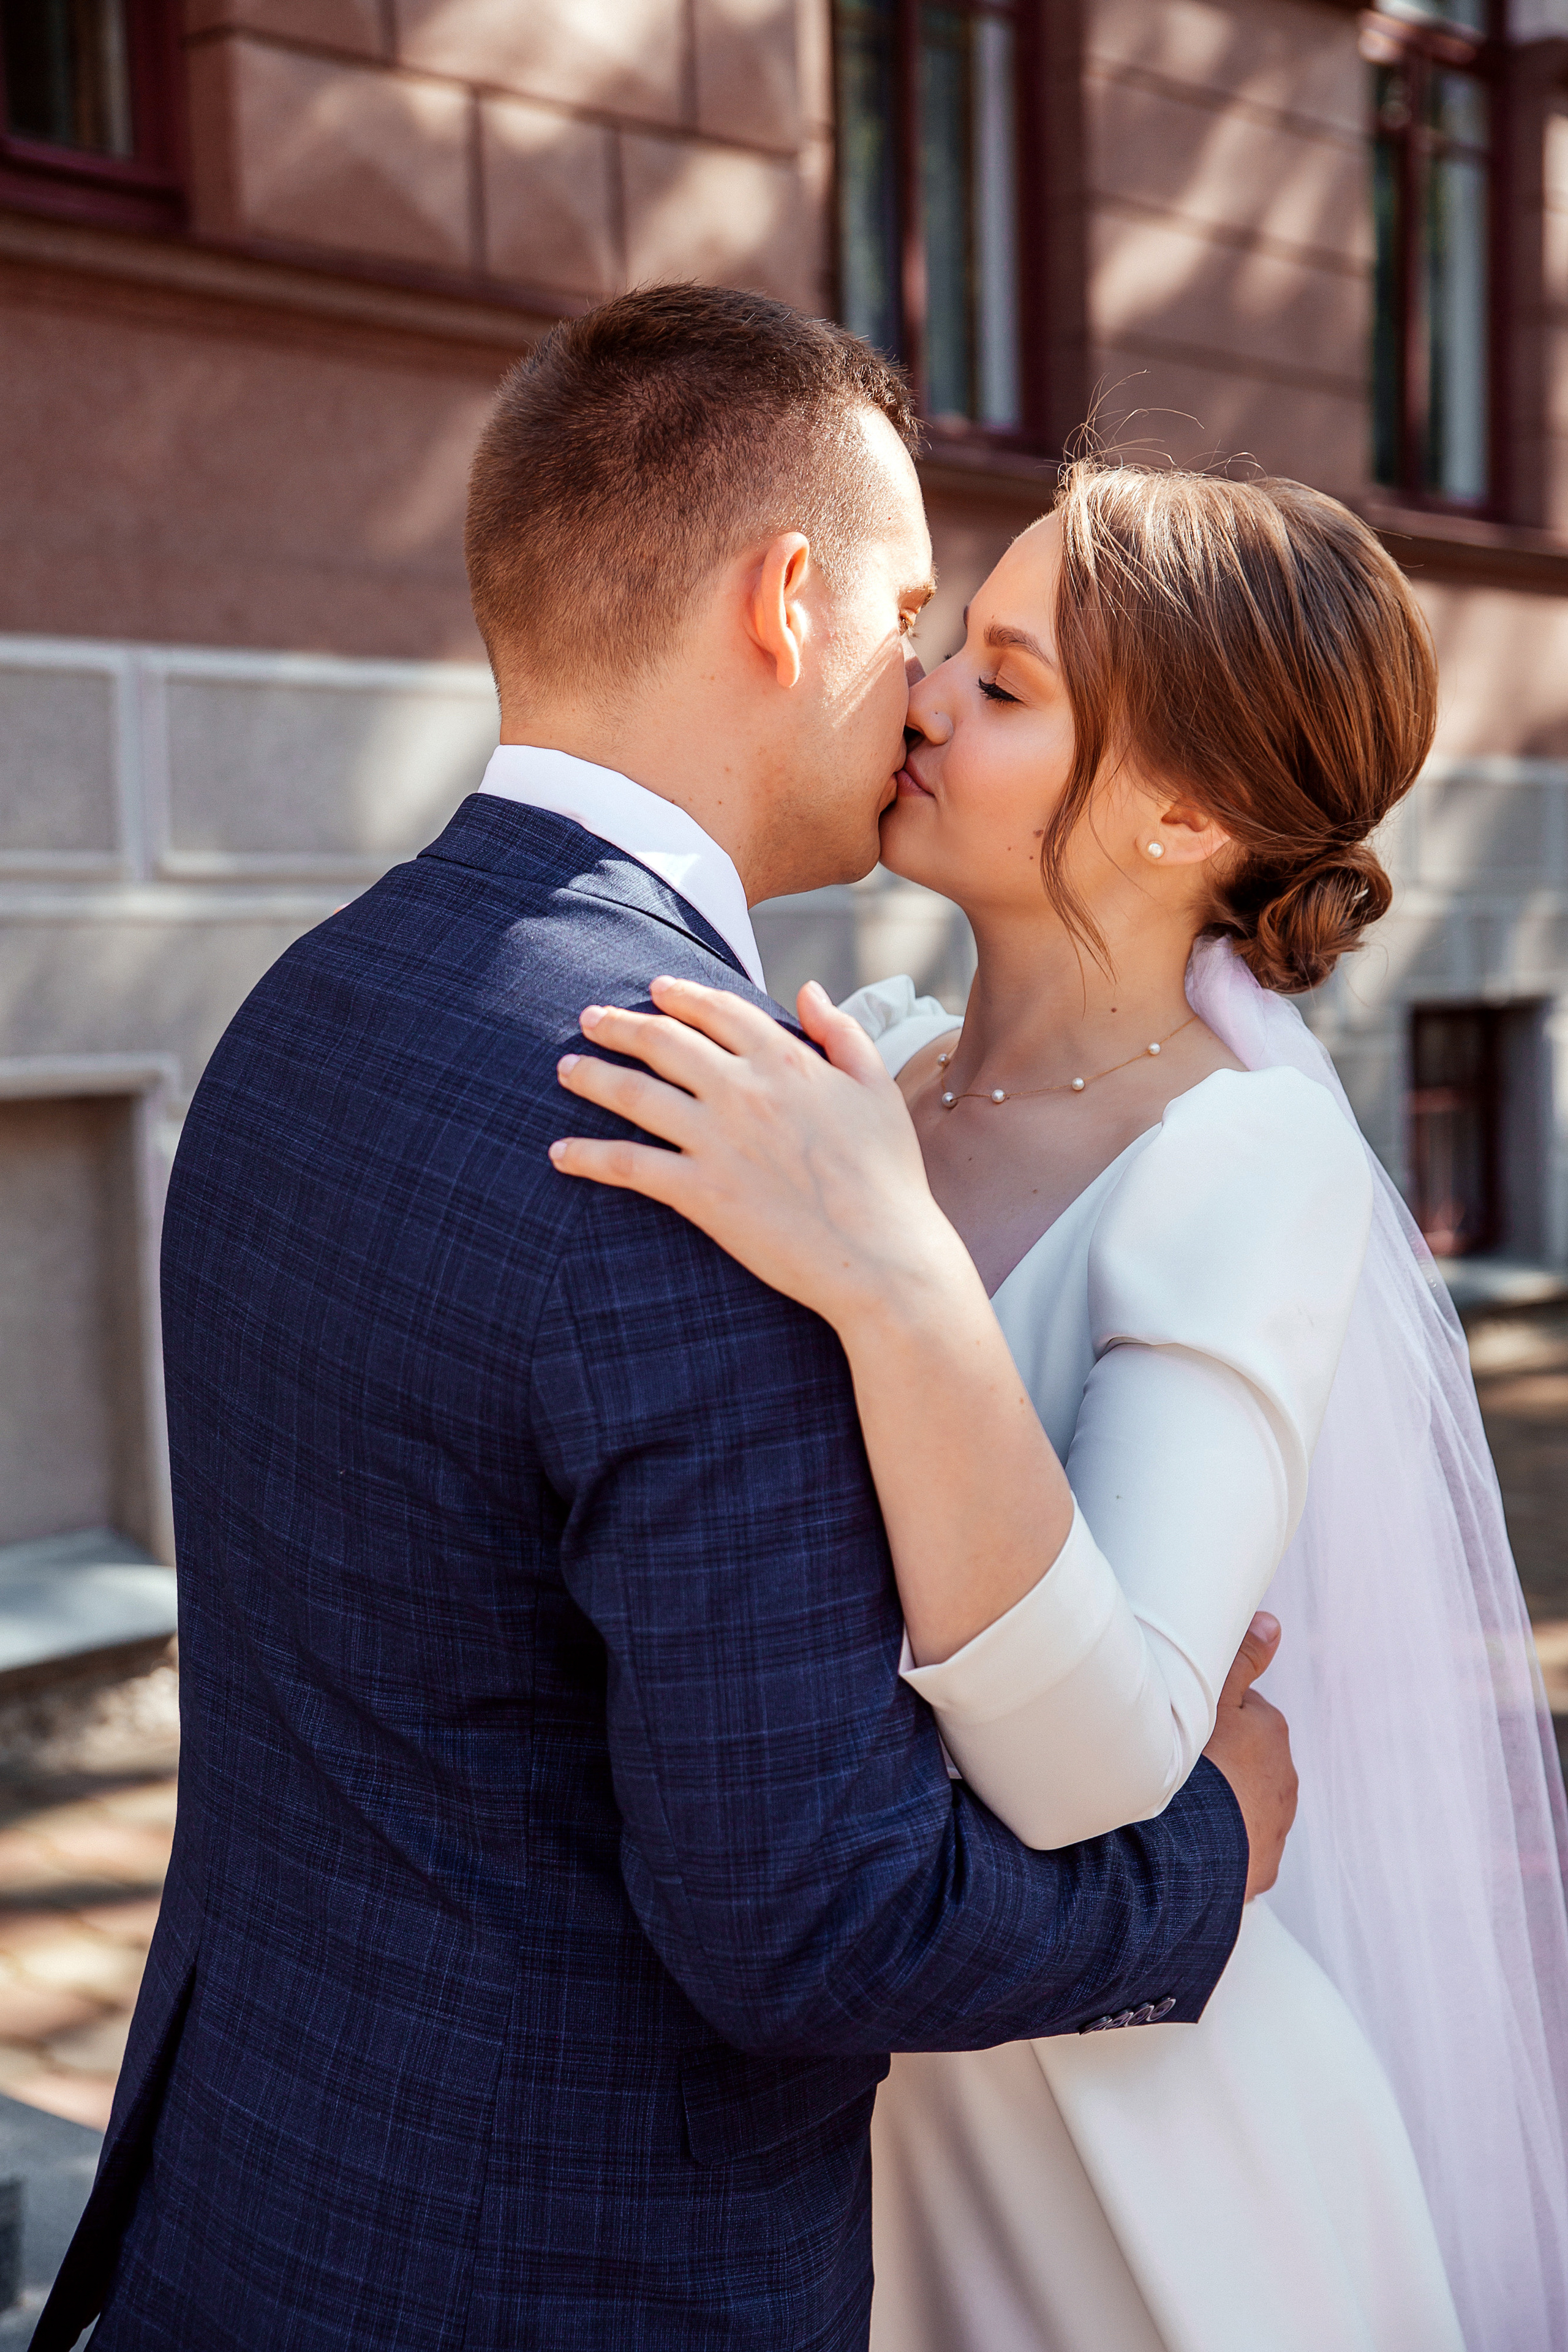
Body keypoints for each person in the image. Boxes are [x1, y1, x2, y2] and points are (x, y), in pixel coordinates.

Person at [34, 293, 1294, 2352]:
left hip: (241, 2213)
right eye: (910, 618)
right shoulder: (700, 1142)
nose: (922, 691)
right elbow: (813, 1922)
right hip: (566, 2283)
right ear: (788, 603)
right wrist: (1211, 1846)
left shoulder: (300, 1008)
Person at [549, 461, 1568, 2350]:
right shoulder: (879, 1064)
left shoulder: (1243, 1161)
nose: (919, 692)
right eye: (950, 647)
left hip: (1121, 2159)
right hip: (829, 2091)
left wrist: (892, 1280)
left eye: (1005, 686)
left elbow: (1104, 1770)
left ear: (1190, 812)